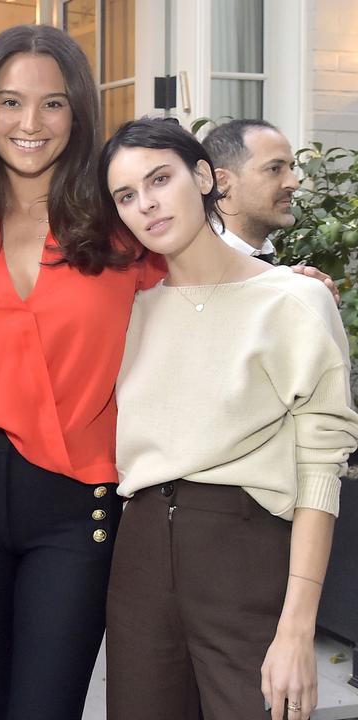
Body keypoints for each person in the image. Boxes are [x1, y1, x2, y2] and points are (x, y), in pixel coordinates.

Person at [0, 25, 165, 719]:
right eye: (10, 102)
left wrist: (277, 284)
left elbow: (203, 286)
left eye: (51, 104)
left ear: (78, 113)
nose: (30, 123)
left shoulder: (123, 225)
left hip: (77, 503)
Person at [103, 117, 358, 720]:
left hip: (245, 551)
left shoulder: (295, 301)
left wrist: (298, 629)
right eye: (126, 196)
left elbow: (321, 468)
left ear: (203, 177)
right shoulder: (127, 309)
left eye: (160, 179)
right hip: (138, 554)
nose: (147, 204)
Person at [203, 119, 300, 262]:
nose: (294, 183)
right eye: (274, 169)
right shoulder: (199, 269)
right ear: (222, 181)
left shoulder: (260, 259)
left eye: (291, 168)